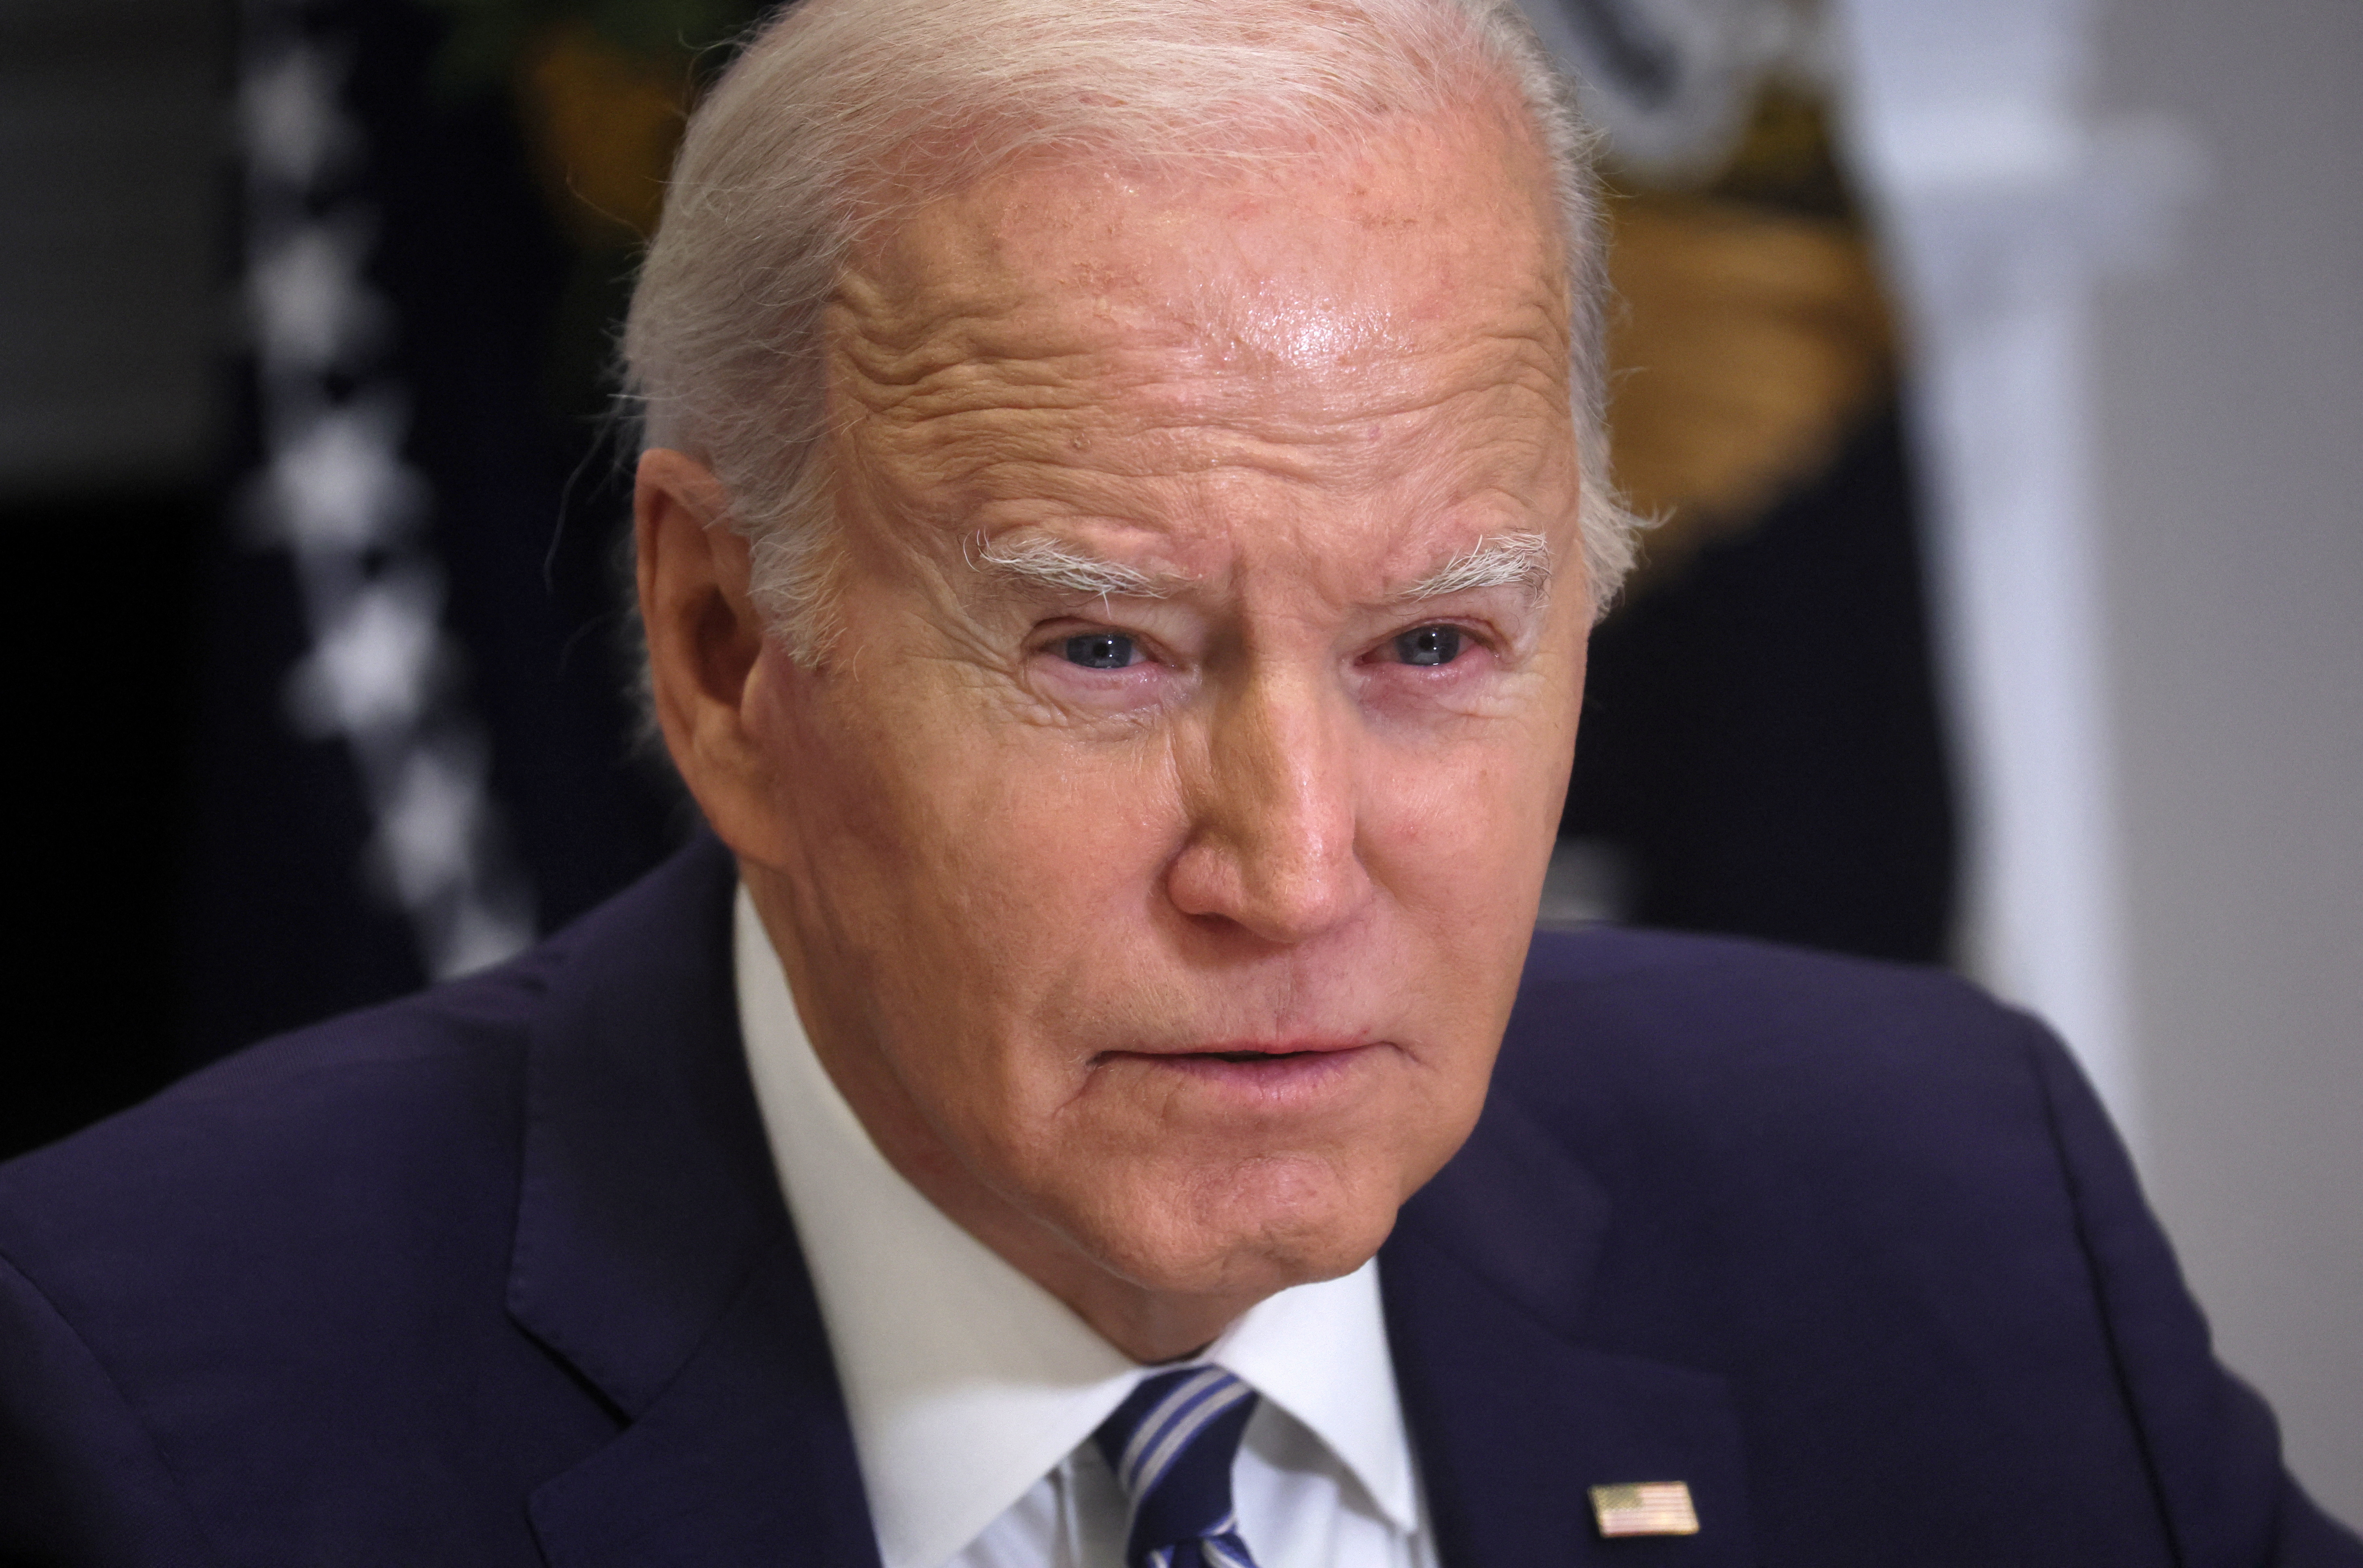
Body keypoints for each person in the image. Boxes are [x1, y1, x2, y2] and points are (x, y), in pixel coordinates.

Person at [2, 0, 2354, 1562]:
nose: (1295, 870)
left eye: (1432, 645)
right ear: (723, 651)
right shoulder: (145, 1413)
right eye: (1105, 650)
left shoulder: (1951, 1214)